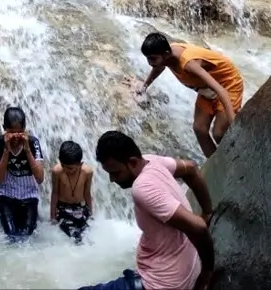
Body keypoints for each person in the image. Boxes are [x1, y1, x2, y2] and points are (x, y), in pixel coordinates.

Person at [77, 130, 214, 290]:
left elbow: (199, 227)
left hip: (162, 284)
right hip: (174, 270)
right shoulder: (152, 161)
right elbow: (191, 168)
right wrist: (207, 212)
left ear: (133, 163)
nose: (112, 179)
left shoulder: (142, 188)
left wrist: (207, 273)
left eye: (115, 173)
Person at [138, 32, 244, 158]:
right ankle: (216, 163)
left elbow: (220, 90)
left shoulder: (188, 63)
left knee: (219, 133)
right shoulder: (166, 56)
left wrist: (232, 120)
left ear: (166, 54)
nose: (150, 62)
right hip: (205, 89)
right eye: (148, 58)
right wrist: (144, 86)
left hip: (227, 84)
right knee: (199, 128)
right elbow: (158, 67)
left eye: (153, 58)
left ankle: (238, 158)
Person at [0, 106, 44, 239]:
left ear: (25, 130)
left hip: (29, 196)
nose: (15, 137)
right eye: (11, 132)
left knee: (27, 236)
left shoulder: (33, 143)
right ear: (4, 129)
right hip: (7, 195)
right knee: (10, 235)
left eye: (19, 132)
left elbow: (40, 178)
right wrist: (7, 150)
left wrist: (27, 150)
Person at [50, 141, 93, 243]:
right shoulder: (57, 171)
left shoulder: (87, 172)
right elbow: (55, 193)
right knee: (75, 236)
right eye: (63, 166)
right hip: (63, 209)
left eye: (70, 168)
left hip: (80, 208)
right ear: (60, 161)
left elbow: (87, 193)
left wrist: (91, 213)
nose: (66, 170)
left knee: (88, 234)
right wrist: (52, 217)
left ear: (80, 164)